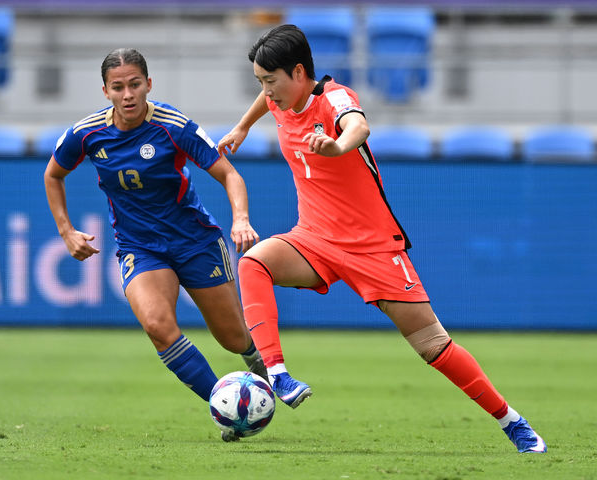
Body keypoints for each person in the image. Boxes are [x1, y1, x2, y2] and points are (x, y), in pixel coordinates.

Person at [217, 24, 546, 453]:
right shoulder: (280, 98)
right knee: (253, 263)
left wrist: (338, 147)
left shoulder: (334, 97)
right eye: (260, 82)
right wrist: (242, 127)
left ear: (298, 72)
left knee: (433, 346)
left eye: (270, 80)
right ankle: (278, 374)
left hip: (372, 246)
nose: (266, 91)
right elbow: (268, 100)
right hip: (314, 238)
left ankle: (513, 422)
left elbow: (358, 125)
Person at [44, 48, 266, 440]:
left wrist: (241, 219)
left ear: (149, 84)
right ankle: (227, 407)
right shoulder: (87, 133)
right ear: (105, 91)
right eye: (118, 87)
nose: (128, 94)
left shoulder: (173, 126)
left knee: (233, 337)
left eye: (135, 84)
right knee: (157, 326)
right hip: (140, 247)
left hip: (195, 241)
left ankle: (264, 368)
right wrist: (66, 231)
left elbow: (229, 175)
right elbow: (53, 174)